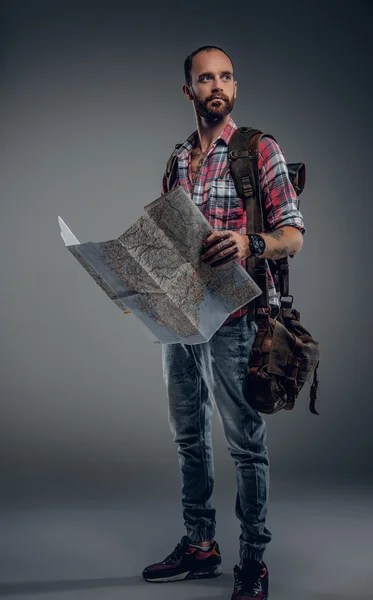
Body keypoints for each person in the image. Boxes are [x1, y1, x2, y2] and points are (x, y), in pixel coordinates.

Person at [142, 45, 305, 600]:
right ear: (188, 91)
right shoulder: (177, 160)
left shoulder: (258, 149)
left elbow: (294, 234)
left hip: (238, 318)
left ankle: (254, 561)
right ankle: (200, 545)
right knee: (189, 438)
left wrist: (248, 241)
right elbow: (168, 241)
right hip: (181, 315)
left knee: (245, 446)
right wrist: (137, 281)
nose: (218, 86)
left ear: (234, 87)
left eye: (226, 77)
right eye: (206, 78)